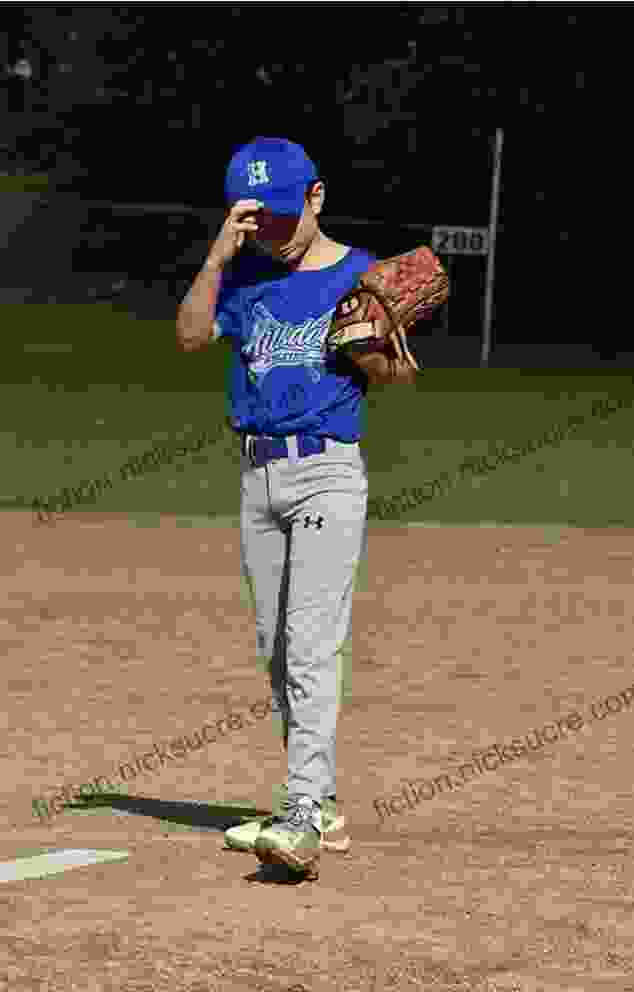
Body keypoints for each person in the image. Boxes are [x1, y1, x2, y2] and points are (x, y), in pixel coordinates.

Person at [176, 137, 416, 880]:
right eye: (255, 219)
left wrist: (371, 352)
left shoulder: (358, 274)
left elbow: (401, 376)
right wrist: (218, 258)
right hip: (257, 479)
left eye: (281, 215)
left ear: (316, 198)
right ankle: (324, 800)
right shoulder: (244, 276)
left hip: (326, 475)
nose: (270, 231)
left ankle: (304, 818)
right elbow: (189, 337)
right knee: (278, 649)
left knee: (311, 644)